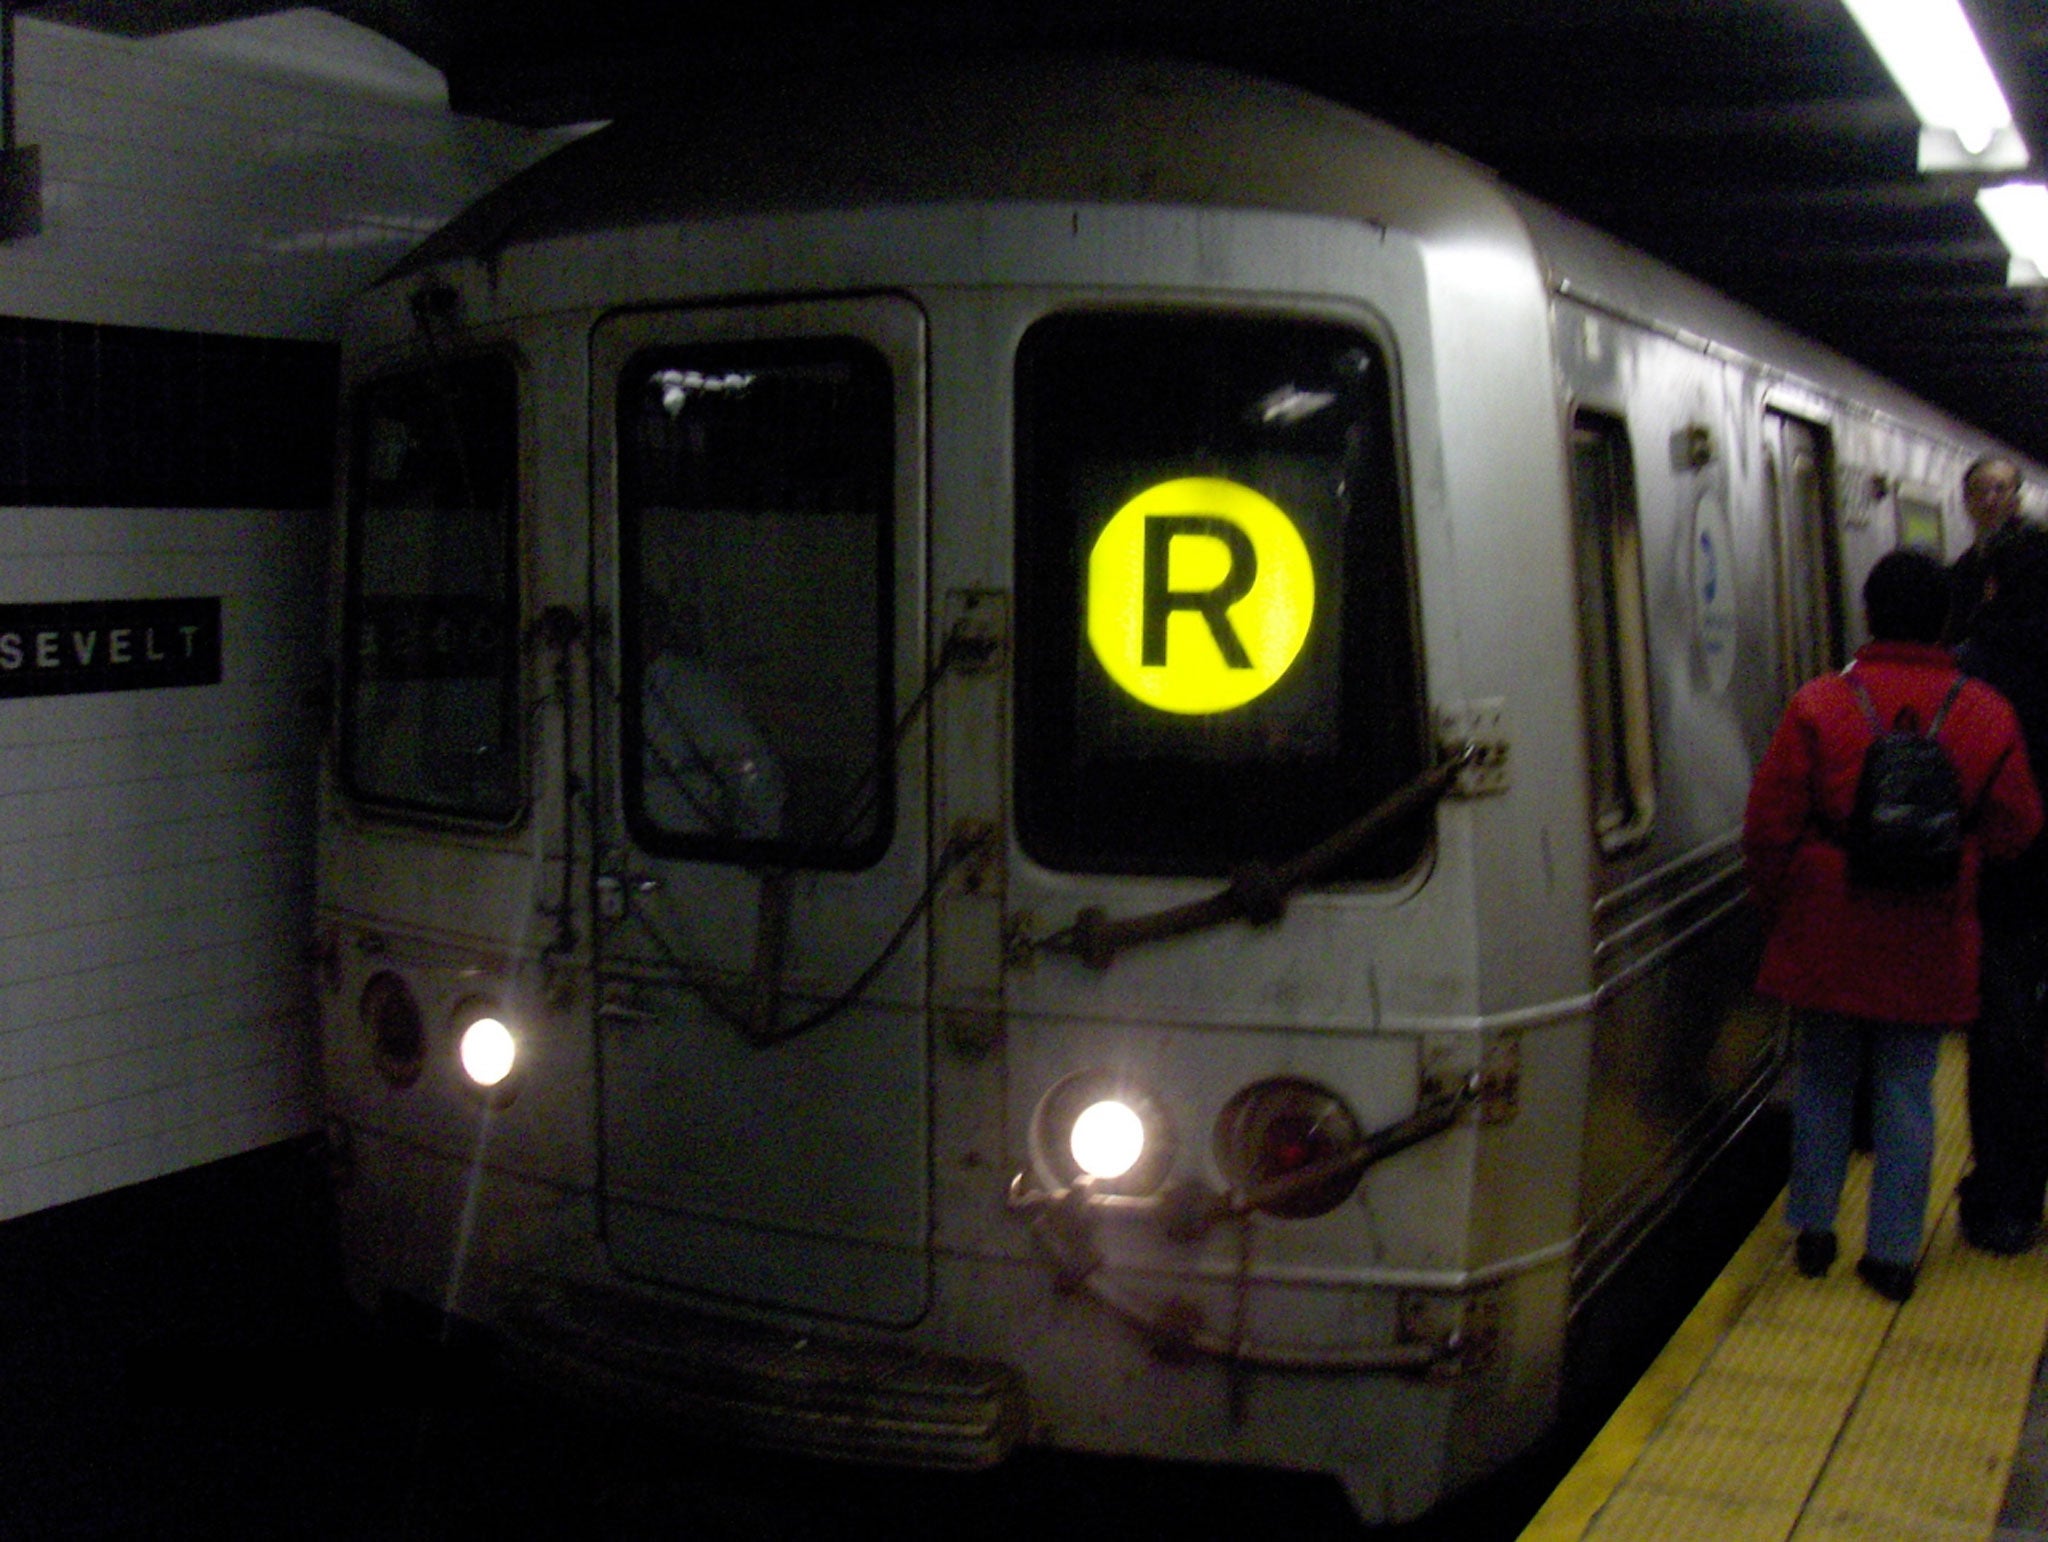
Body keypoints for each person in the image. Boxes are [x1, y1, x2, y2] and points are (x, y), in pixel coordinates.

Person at [1745, 548, 2041, 1303]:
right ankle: (1894, 1253)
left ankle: (1813, 1229)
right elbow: (2018, 825)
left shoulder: (1819, 703)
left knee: (1824, 1077)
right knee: (1908, 1087)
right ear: (1947, 619)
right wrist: (1959, 857)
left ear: (1869, 614)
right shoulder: (1985, 711)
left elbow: (1769, 823)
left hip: (1827, 918)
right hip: (1930, 929)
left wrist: (1782, 904)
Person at [1954, 523, 2048, 1253]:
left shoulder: (1973, 674)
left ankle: (2006, 1205)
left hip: (2006, 885)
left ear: (1992, 586)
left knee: (2005, 1043)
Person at [1944, 455, 2024, 643]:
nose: (1989, 500)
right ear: (1966, 502)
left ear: (2017, 502)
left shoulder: (2035, 562)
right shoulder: (1961, 571)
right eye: (1978, 491)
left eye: (2000, 489)